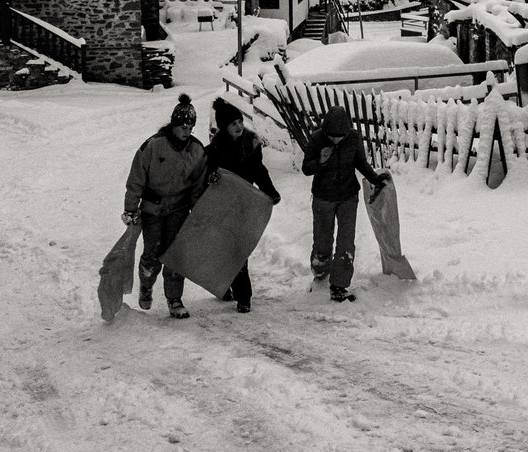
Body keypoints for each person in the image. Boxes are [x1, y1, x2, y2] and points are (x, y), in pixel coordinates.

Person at [123, 94, 209, 318]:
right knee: (153, 252)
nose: (186, 131)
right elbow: (136, 179)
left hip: (179, 210)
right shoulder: (153, 146)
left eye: (190, 127)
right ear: (173, 124)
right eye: (182, 126)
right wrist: (131, 209)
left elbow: (198, 185)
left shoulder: (196, 151)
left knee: (175, 255)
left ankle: (174, 299)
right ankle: (146, 285)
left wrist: (198, 213)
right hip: (153, 208)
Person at [300, 104, 386, 302]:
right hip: (323, 198)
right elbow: (306, 168)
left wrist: (374, 178)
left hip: (348, 196)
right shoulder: (316, 139)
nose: (336, 140)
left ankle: (339, 285)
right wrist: (320, 161)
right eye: (332, 136)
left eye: (340, 136)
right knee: (323, 239)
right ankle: (320, 274)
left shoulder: (354, 138)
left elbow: (361, 162)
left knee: (346, 241)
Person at [205, 98, 282, 313]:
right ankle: (227, 285)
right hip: (222, 207)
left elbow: (259, 170)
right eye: (233, 124)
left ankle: (243, 295)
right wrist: (210, 179)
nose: (238, 126)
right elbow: (204, 177)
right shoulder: (214, 150)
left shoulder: (251, 145)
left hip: (243, 206)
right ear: (223, 128)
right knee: (224, 249)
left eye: (240, 121)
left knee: (239, 250)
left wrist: (271, 192)